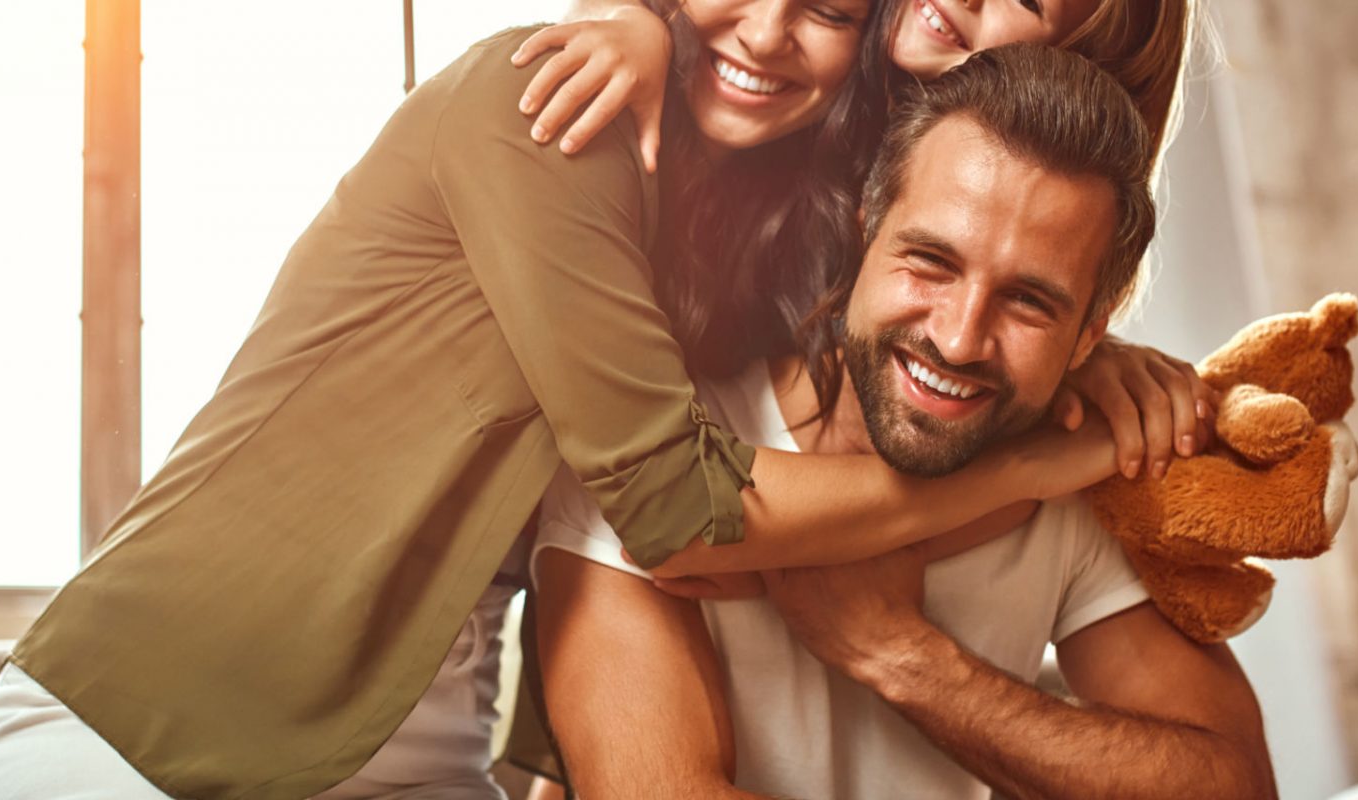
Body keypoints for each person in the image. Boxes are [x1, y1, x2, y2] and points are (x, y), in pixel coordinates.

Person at [0, 2, 1190, 798]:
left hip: (416, 747)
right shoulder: (539, 100)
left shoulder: (768, 227)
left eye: (823, 9)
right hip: (149, 731)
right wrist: (1033, 465)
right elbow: (675, 504)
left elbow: (935, 303)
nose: (765, 33)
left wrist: (1080, 372)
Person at [531, 45, 1275, 800]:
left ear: (1091, 335)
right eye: (930, 262)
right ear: (863, 234)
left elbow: (1233, 787)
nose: (957, 338)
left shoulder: (1076, 477)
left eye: (1029, 301)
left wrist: (901, 653)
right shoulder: (655, 460)